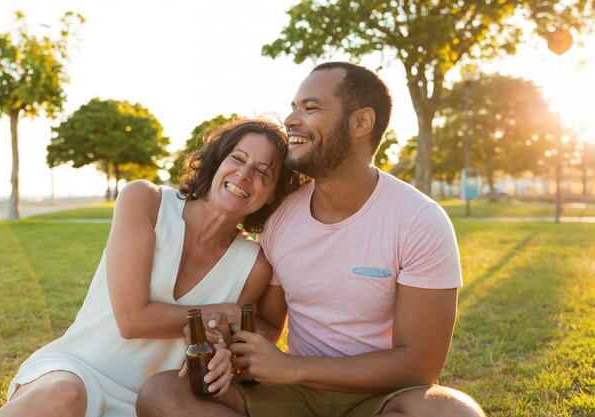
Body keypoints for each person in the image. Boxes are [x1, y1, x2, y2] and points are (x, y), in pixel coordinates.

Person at [136, 62, 486, 417]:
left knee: (454, 413)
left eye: (310, 108)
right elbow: (270, 324)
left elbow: (419, 365)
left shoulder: (419, 220)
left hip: (381, 395)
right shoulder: (282, 218)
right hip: (294, 396)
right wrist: (226, 335)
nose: (290, 119)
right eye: (293, 107)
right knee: (163, 393)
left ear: (361, 123)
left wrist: (293, 368)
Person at [0, 118, 303, 417]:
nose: (244, 174)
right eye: (237, 158)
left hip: (153, 402)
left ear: (274, 194)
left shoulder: (254, 264)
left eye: (263, 172)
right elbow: (132, 319)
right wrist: (224, 312)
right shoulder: (147, 201)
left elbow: (219, 336)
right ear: (218, 160)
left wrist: (221, 347)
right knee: (61, 395)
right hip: (78, 370)